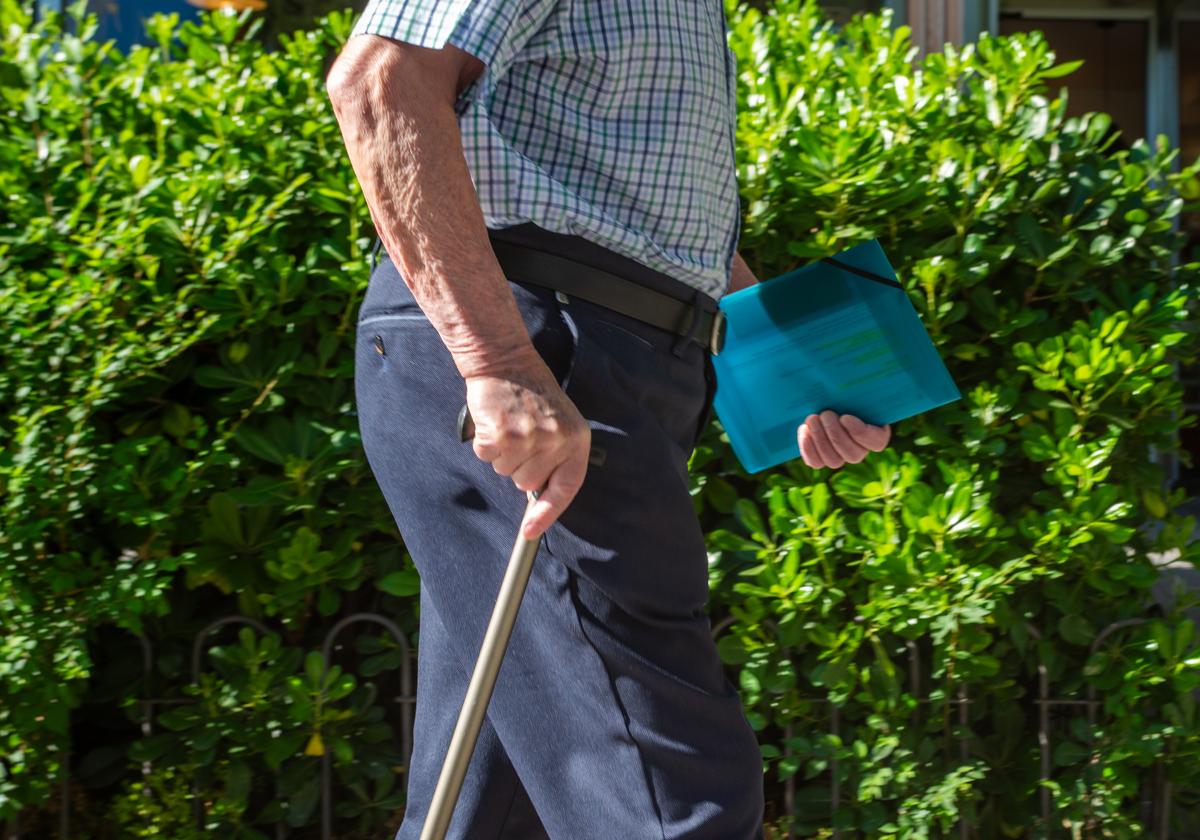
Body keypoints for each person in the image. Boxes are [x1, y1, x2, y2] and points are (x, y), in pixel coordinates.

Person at [325, 2, 892, 837]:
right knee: (672, 795)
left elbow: (649, 231)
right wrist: (502, 365)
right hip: (538, 353)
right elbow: (379, 84)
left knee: (487, 806)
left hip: (583, 355)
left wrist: (787, 381)